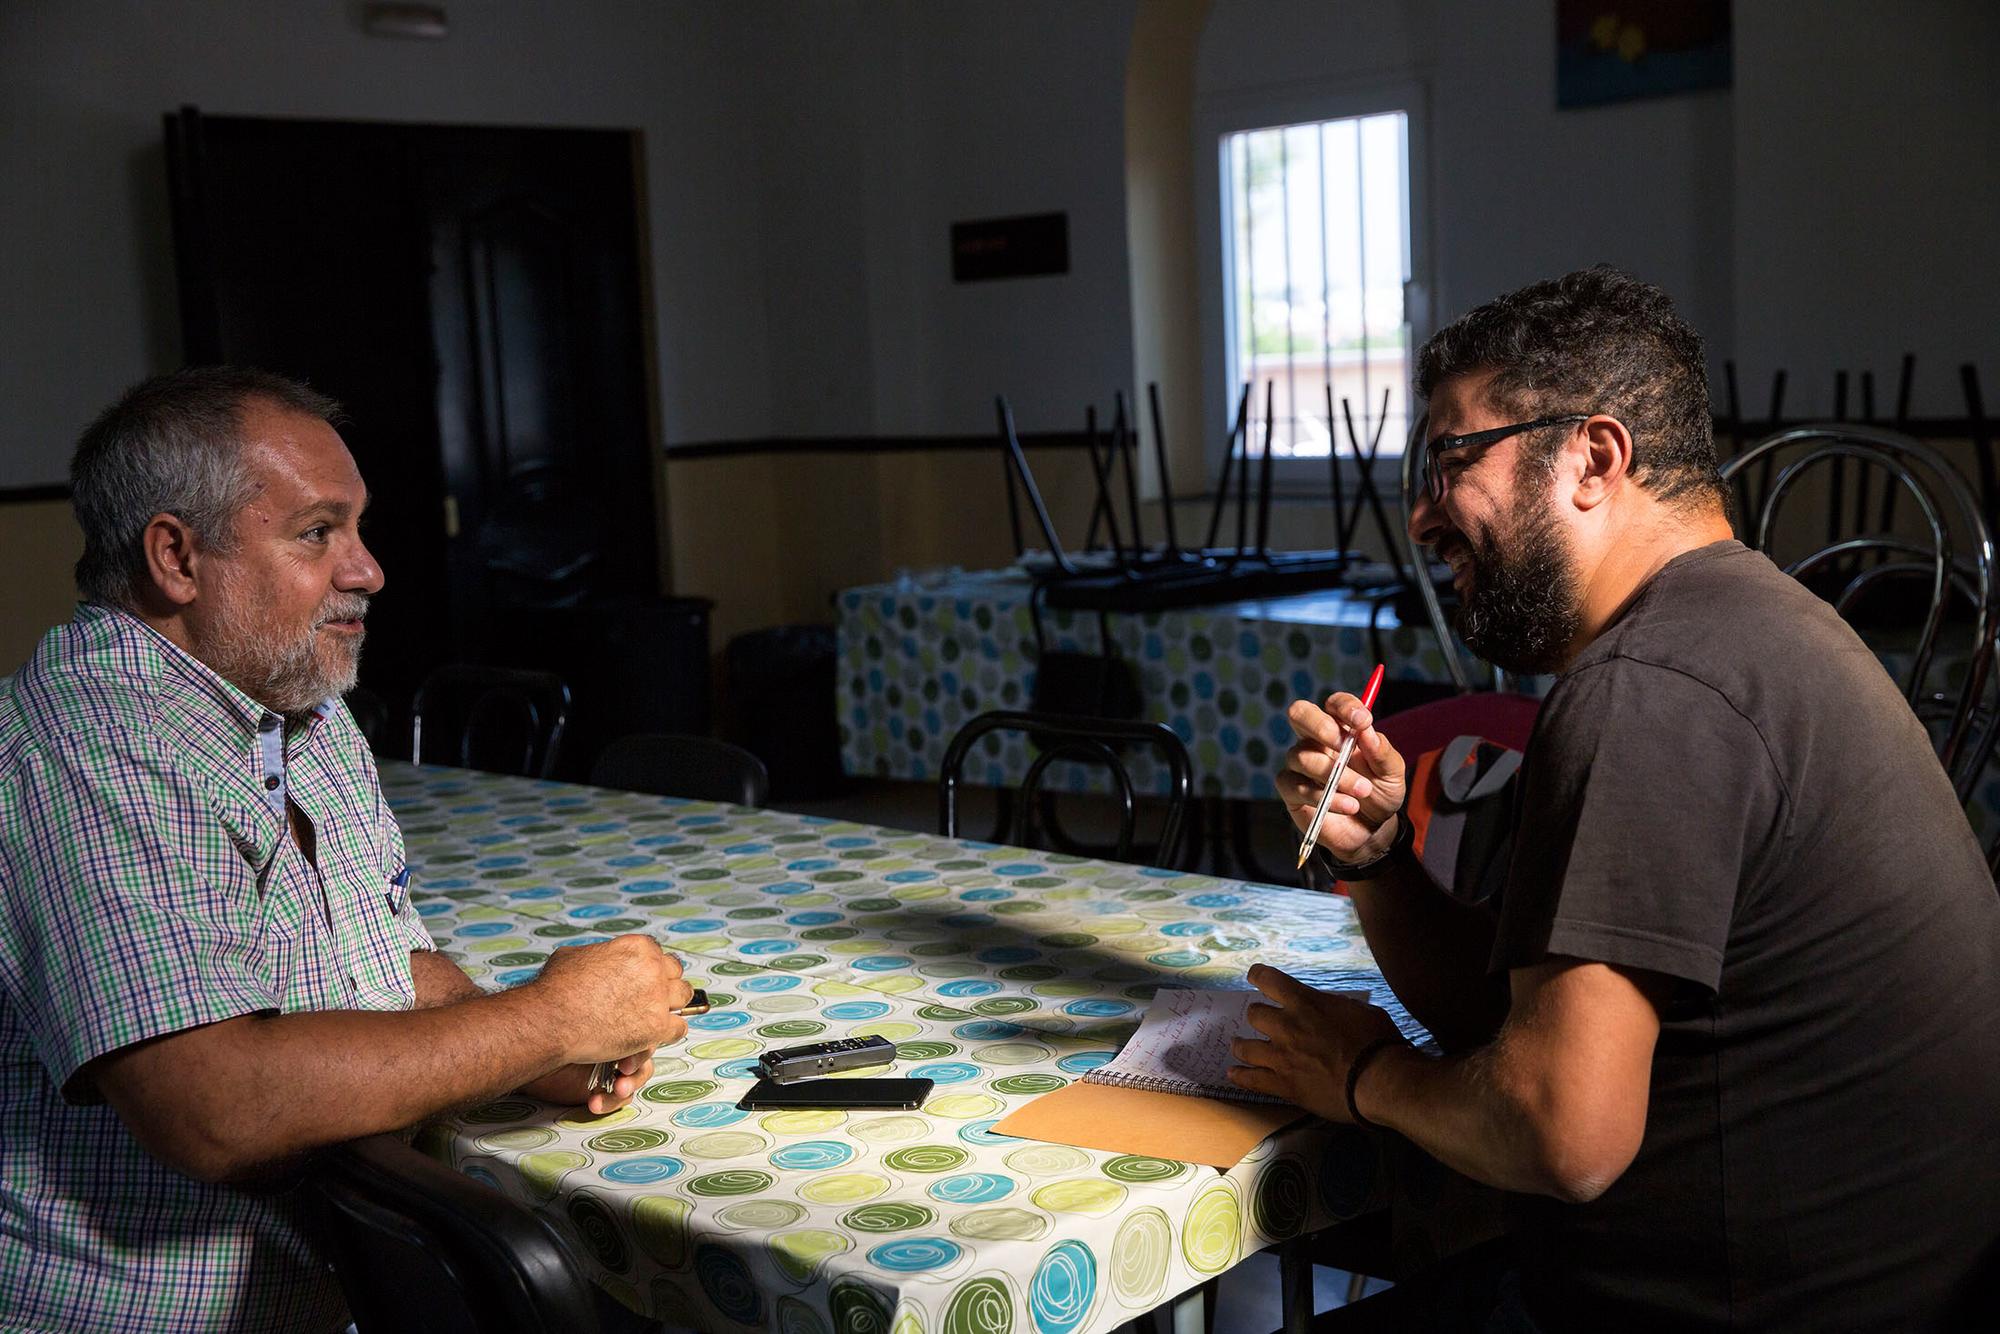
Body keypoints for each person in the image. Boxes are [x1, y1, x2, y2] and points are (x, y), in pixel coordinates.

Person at [1238, 268, 2000, 1331]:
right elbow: (1522, 1033)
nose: (1419, 514)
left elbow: (1561, 1131)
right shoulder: (1750, 624)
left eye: (1450, 458)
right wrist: (1375, 859)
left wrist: (1362, 1074)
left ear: (1592, 457)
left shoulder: (1647, 690)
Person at [0, 367, 694, 1332]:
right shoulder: (86, 745)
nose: (366, 568)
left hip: (351, 1279)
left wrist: (541, 1051)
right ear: (177, 557)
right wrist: (543, 1019)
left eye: (357, 530)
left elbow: (386, 962)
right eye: (318, 532)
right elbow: (213, 1108)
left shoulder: (300, 709)